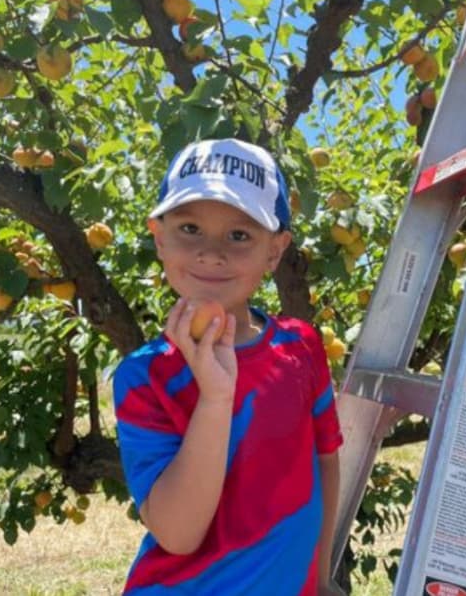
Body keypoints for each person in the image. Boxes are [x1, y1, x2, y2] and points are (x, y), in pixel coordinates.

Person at [113, 137, 344, 595]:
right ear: (159, 238)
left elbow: (326, 462)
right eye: (189, 229)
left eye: (239, 235)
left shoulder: (301, 348)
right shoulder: (145, 377)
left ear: (275, 251)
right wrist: (216, 397)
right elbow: (178, 534)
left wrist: (319, 577)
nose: (211, 253)